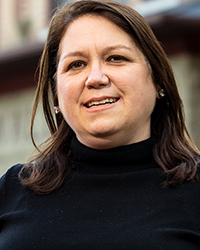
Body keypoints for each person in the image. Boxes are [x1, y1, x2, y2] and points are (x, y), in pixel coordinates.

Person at [0, 0, 200, 249]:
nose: (95, 78)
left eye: (116, 58)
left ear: (158, 79)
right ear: (57, 95)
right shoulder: (11, 190)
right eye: (76, 64)